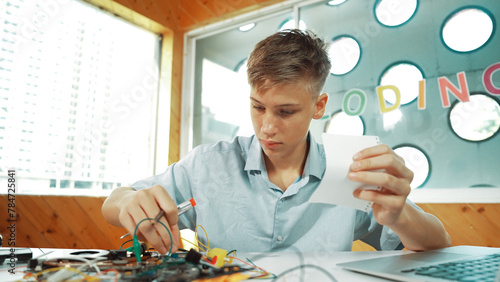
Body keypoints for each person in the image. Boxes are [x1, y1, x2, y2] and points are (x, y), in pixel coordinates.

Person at [102, 29, 451, 255]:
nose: (267, 127)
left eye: (285, 112)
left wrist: (400, 214)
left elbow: (439, 244)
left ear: (318, 106)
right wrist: (130, 202)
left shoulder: (350, 171)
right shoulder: (209, 164)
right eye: (257, 107)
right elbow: (113, 203)